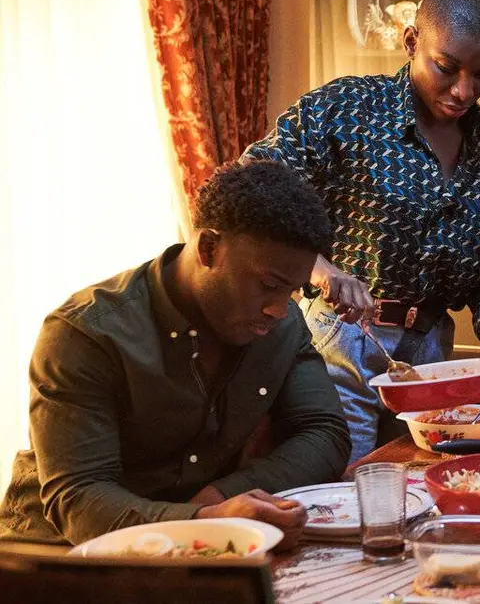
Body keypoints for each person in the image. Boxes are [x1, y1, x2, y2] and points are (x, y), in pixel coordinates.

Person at [243, 0, 480, 463]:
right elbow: (255, 185)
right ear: (411, 41)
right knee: (346, 483)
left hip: (433, 356)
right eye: (447, 68)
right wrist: (322, 271)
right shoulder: (345, 110)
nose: (464, 90)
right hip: (340, 339)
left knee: (422, 479)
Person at [0, 162, 351, 547]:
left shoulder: (281, 326)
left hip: (208, 546)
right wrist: (203, 521)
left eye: (293, 290)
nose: (280, 309)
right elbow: (79, 498)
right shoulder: (86, 333)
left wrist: (219, 499)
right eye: (269, 285)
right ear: (208, 248)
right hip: (60, 554)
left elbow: (325, 432)